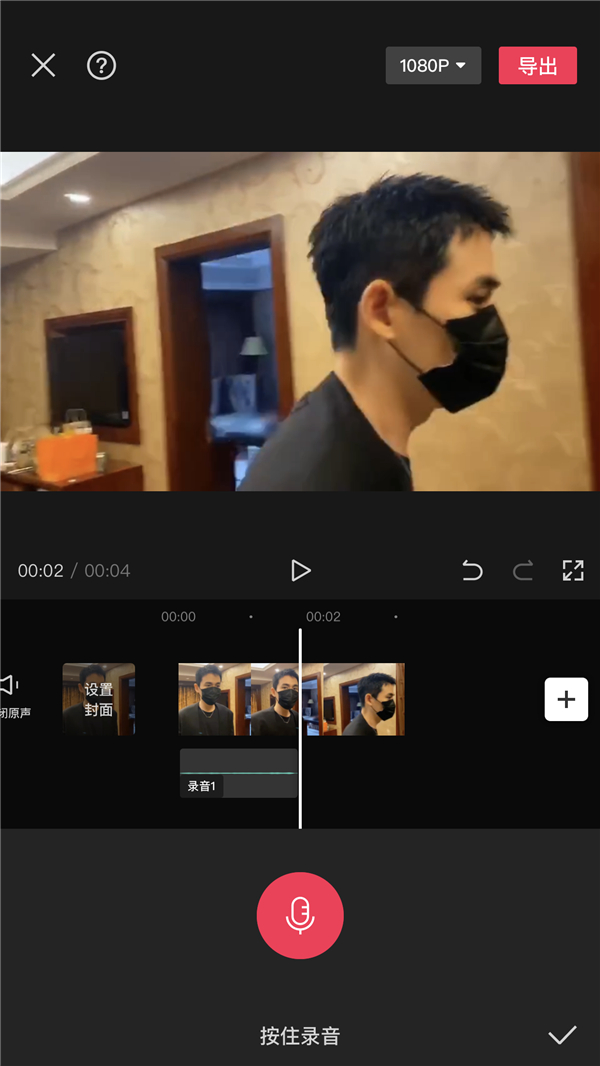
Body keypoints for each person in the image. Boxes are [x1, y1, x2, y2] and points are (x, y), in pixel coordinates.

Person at [240, 173, 512, 491]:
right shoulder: (319, 479)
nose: (490, 322)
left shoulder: (352, 441)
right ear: (382, 311)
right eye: (476, 298)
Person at [63, 664, 118, 736]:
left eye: (101, 685)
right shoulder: (67, 716)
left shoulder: (112, 714)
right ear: (81, 688)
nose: (97, 689)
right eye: (92, 685)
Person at [179, 665, 234, 736]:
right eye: (208, 685)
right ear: (197, 688)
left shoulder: (227, 714)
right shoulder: (183, 716)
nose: (213, 690)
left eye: (217, 686)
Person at [252, 668, 299, 736]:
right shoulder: (257, 720)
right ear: (273, 692)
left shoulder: (297, 718)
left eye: (294, 688)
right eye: (285, 687)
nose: (291, 693)